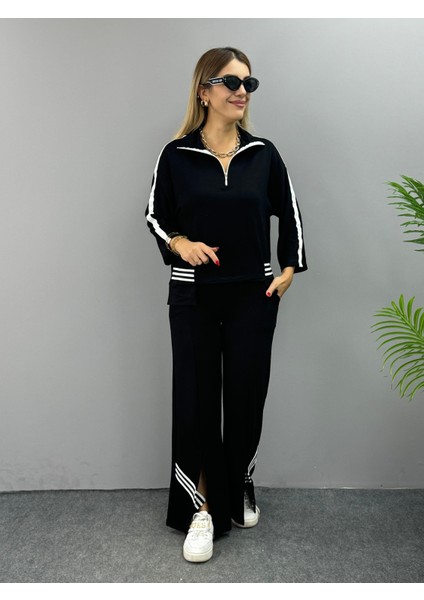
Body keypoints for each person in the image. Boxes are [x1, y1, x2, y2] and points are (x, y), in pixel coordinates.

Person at [146, 46, 307, 563]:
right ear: (204, 91)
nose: (242, 91)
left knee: (245, 396)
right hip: (193, 294)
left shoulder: (263, 153)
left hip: (252, 296)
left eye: (248, 83)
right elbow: (154, 215)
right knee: (196, 401)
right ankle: (201, 507)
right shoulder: (176, 155)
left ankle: (238, 483)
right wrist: (179, 242)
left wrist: (289, 269)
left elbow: (290, 213)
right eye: (231, 82)